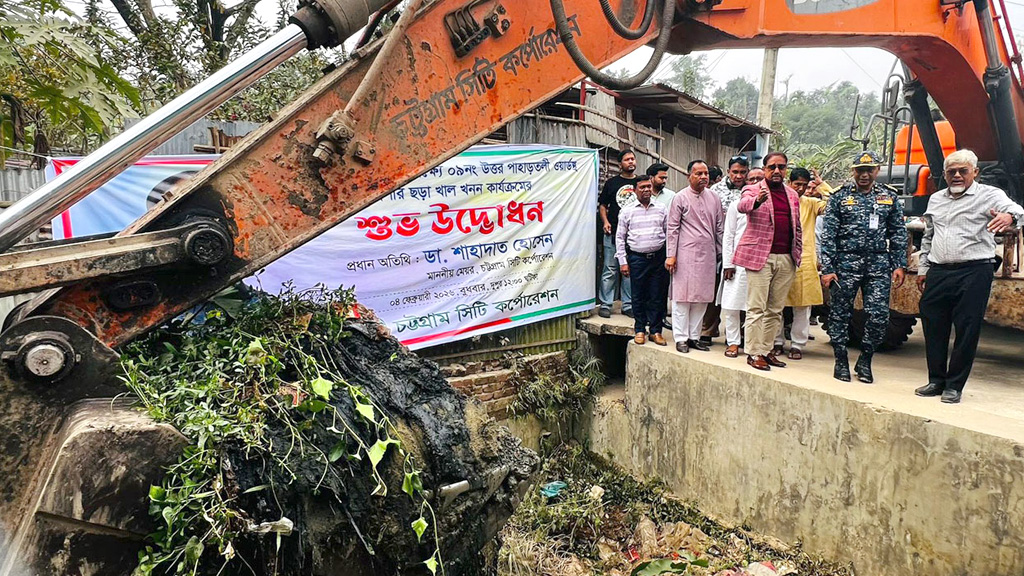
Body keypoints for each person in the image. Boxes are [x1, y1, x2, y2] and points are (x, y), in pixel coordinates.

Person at [914, 149, 1024, 403]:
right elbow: (929, 235)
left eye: (963, 171)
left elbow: (1017, 210)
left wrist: (1009, 216)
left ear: (975, 172)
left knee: (967, 327)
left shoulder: (990, 195)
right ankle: (936, 380)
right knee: (933, 324)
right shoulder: (937, 199)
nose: (957, 176)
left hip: (974, 270)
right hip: (939, 269)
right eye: (951, 171)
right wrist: (923, 268)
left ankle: (954, 386)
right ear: (944, 174)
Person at [819, 151, 908, 383]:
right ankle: (840, 359)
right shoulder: (840, 197)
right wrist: (828, 268)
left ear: (877, 171)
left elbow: (898, 232)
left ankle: (866, 359)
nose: (865, 175)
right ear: (853, 171)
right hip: (845, 263)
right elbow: (828, 235)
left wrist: (899, 264)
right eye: (860, 170)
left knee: (879, 315)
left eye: (869, 170)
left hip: (878, 263)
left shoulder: (889, 197)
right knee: (840, 314)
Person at [733, 152, 802, 371]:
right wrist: (757, 201)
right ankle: (753, 353)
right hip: (760, 257)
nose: (777, 171)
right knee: (756, 308)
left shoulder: (791, 194)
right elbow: (742, 205)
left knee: (775, 309)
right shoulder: (753, 189)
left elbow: (796, 225)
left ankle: (766, 350)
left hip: (786, 258)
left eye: (781, 167)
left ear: (786, 169)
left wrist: (797, 254)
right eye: (772, 167)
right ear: (764, 169)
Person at [665, 160, 723, 353]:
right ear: (689, 176)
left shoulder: (714, 197)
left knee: (701, 298)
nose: (703, 177)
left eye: (705, 173)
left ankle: (694, 337)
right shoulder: (680, 198)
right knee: (682, 298)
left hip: (707, 254)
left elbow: (719, 228)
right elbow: (672, 228)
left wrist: (722, 253)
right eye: (698, 174)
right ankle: (681, 338)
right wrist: (671, 255)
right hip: (685, 253)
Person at [773, 167, 828, 359]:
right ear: (790, 183)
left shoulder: (811, 204)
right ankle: (777, 341)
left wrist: (822, 185)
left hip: (804, 261)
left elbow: (834, 204)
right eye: (797, 184)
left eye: (805, 185)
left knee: (803, 307)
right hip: (781, 257)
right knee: (776, 304)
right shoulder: (779, 200)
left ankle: (797, 344)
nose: (801, 189)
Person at [616, 175, 669, 346]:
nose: (646, 190)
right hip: (637, 259)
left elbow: (669, 233)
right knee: (638, 296)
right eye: (642, 187)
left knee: (657, 295)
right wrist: (623, 261)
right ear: (635, 190)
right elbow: (620, 237)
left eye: (648, 186)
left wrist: (670, 256)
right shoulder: (627, 210)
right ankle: (640, 329)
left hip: (658, 258)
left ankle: (656, 331)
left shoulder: (661, 208)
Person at [703, 155, 751, 345]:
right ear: (728, 171)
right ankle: (708, 329)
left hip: (745, 250)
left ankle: (741, 335)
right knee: (714, 290)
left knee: (742, 293)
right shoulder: (715, 191)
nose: (739, 176)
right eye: (735, 172)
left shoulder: (752, 192)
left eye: (742, 172)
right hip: (718, 247)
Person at [598, 149, 638, 318]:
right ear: (621, 163)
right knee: (610, 269)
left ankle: (627, 304)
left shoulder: (641, 182)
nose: (631, 162)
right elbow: (602, 205)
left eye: (633, 159)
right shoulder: (612, 183)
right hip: (613, 232)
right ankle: (606, 304)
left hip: (634, 235)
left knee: (629, 270)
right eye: (627, 159)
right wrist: (605, 222)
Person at [717, 199, 748, 358]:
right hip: (737, 262)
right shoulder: (737, 204)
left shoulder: (769, 203)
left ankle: (751, 344)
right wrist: (728, 263)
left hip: (761, 262)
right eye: (752, 179)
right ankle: (733, 342)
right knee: (731, 305)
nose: (755, 182)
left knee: (755, 308)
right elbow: (728, 235)